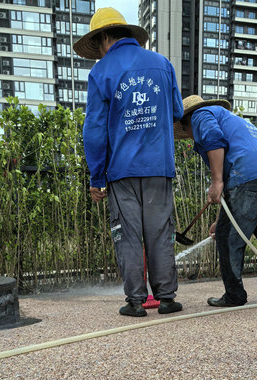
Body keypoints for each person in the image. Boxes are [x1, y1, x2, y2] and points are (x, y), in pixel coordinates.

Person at [74, 8, 184, 317]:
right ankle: (166, 299)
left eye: (97, 46)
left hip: (121, 171)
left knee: (128, 234)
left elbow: (94, 130)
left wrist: (97, 177)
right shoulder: (162, 64)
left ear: (104, 39)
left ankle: (136, 301)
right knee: (161, 232)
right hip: (159, 168)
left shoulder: (100, 72)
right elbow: (176, 111)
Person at [174, 95, 257, 307]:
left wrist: (216, 181)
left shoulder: (201, 115)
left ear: (187, 122)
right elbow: (237, 197)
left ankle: (235, 295)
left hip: (248, 177)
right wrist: (221, 219)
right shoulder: (233, 120)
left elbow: (213, 138)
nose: (189, 136)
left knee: (227, 238)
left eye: (185, 131)